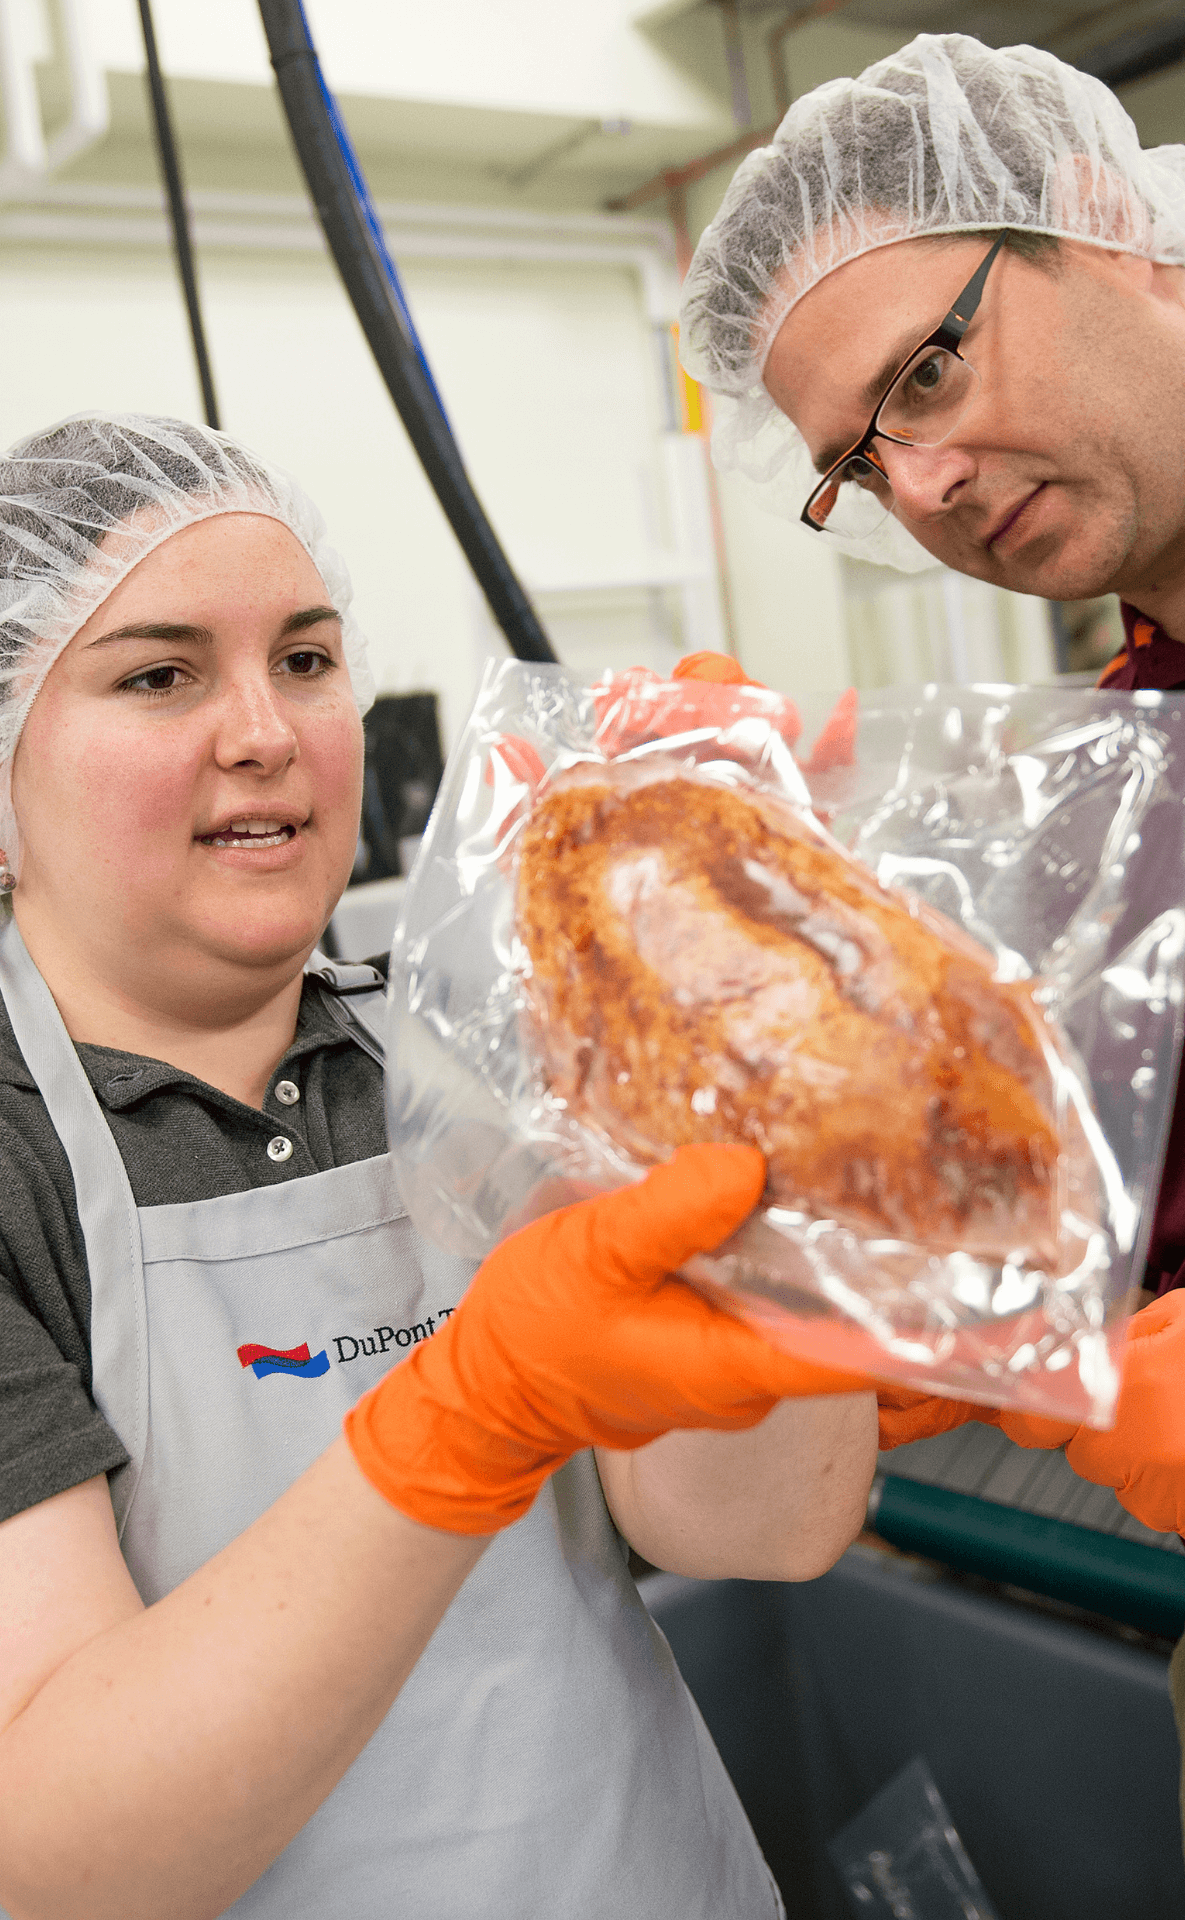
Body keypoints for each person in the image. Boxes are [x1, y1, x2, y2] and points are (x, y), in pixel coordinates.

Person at [0, 412, 881, 1920]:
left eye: (306, 657)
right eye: (159, 674)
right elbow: (65, 1855)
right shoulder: (21, 1166)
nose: (266, 731)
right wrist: (466, 1423)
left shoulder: (479, 1042)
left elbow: (760, 1527)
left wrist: (744, 1057)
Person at [679, 32, 1185, 1917]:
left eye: (929, 365)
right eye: (860, 459)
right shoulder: (1115, 752)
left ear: (1109, 224)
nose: (923, 478)